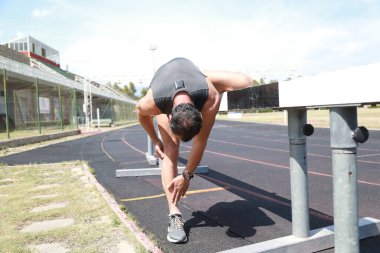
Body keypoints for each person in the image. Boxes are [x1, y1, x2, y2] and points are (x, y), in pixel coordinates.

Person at [136, 57, 252, 243]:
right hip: (165, 83)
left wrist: (187, 175)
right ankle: (174, 214)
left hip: (196, 81)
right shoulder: (153, 101)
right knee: (171, 151)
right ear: (169, 115)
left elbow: (200, 142)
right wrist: (155, 140)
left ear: (199, 113)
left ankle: (200, 74)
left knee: (246, 82)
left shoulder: (210, 96)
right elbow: (140, 114)